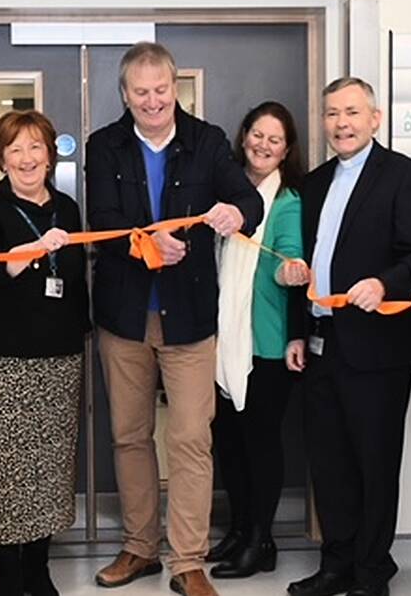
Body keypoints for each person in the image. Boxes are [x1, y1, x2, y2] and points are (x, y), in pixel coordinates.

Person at [85, 41, 263, 596]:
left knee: (190, 438)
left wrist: (238, 211)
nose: (153, 101)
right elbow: (106, 224)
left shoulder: (207, 141)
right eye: (141, 92)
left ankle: (187, 560)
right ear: (125, 94)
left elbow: (247, 203)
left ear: (174, 88)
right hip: (125, 317)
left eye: (161, 90)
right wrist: (146, 246)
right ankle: (139, 548)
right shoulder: (104, 145)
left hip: (189, 318)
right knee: (130, 436)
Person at [285, 77, 411, 596]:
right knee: (329, 466)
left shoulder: (405, 175)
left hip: (377, 347)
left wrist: (383, 283)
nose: (341, 123)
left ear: (376, 117)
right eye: (331, 113)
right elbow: (303, 261)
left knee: (374, 465)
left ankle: (373, 572)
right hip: (321, 344)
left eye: (351, 112)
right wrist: (298, 331)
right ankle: (336, 565)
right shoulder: (313, 182)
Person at [0, 110, 90, 596]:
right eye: (16, 149)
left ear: (50, 154)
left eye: (36, 147)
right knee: (3, 472)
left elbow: (74, 280)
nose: (27, 158)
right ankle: (9, 573)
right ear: (1, 158)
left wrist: (79, 335)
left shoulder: (68, 208)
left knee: (46, 469)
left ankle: (39, 567)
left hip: (56, 359)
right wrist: (32, 249)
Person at [208, 101, 309, 580]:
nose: (263, 145)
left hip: (266, 343)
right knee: (228, 443)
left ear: (287, 150)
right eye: (257, 135)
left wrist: (292, 272)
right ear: (243, 136)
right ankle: (240, 528)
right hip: (220, 342)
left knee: (259, 445)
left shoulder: (287, 201)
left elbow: (286, 257)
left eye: (275, 139)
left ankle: (260, 541)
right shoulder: (225, 196)